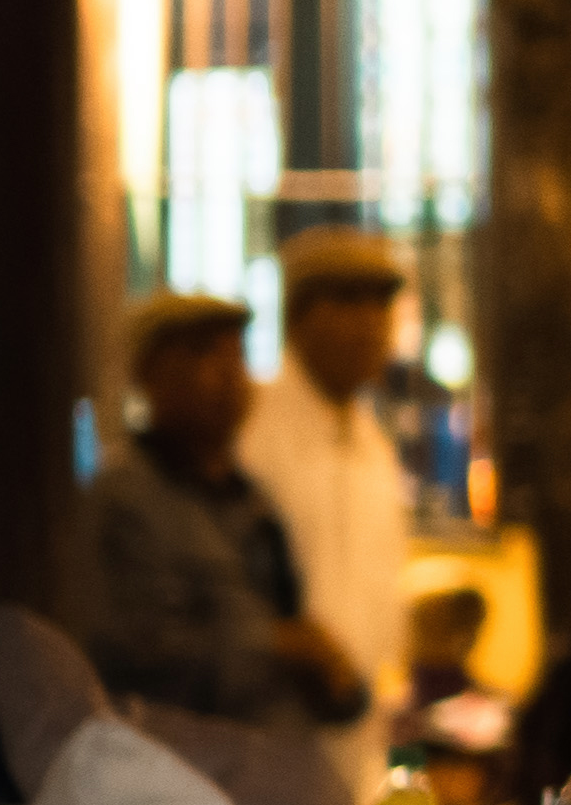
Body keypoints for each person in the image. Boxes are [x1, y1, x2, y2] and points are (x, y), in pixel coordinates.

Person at [70, 291, 373, 737]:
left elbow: (295, 624)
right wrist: (280, 647)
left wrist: (337, 678)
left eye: (237, 355)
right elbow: (136, 655)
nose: (230, 374)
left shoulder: (253, 500)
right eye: (204, 354)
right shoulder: (125, 498)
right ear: (148, 375)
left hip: (271, 772)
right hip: (181, 777)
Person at [240, 228, 422, 805]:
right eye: (348, 303)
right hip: (271, 728)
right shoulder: (254, 433)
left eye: (381, 306)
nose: (371, 324)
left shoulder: (374, 445)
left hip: (357, 731)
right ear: (298, 319)